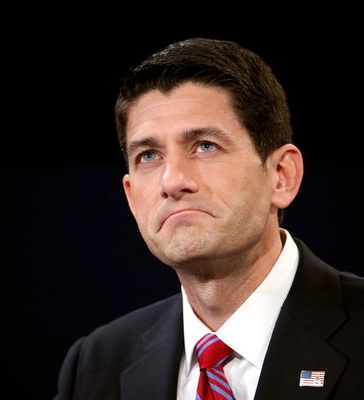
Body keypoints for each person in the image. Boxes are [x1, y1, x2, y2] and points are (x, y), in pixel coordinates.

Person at [53, 38, 364, 400]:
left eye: (204, 146)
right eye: (149, 156)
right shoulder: (96, 365)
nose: (172, 182)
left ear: (281, 175)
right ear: (131, 197)